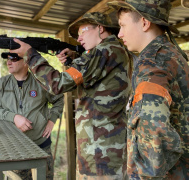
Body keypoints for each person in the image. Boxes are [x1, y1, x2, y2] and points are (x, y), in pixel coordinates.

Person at [12, 12, 132, 179]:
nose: (79, 38)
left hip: (100, 150)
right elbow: (93, 85)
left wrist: (30, 55)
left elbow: (56, 84)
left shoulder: (103, 51)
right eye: (77, 35)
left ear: (100, 27)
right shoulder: (112, 51)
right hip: (104, 145)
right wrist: (71, 61)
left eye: (83, 31)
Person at [108, 0, 189, 179]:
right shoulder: (173, 55)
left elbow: (153, 126)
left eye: (122, 25)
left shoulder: (152, 62)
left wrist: (144, 175)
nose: (119, 34)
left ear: (144, 23)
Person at [0, 52, 64, 180]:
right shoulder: (2, 83)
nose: (8, 62)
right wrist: (14, 117)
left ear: (26, 62)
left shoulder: (41, 82)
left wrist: (52, 120)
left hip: (40, 145)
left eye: (13, 59)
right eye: (7, 59)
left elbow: (58, 100)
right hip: (14, 146)